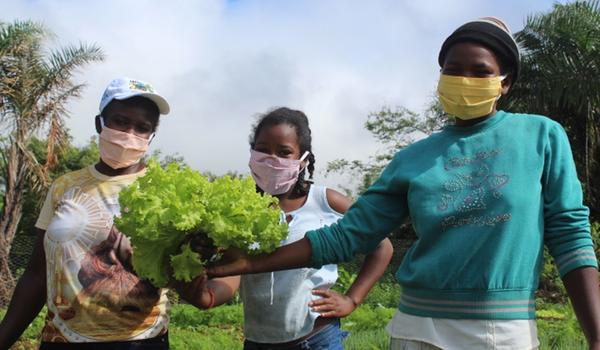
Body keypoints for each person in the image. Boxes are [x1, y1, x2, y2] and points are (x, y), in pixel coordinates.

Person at [207, 18, 600, 350]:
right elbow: (347, 237)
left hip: (501, 331)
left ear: (505, 82)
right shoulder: (414, 158)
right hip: (416, 330)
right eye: (452, 69)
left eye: (479, 71)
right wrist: (251, 264)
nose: (463, 79)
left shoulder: (541, 136)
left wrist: (595, 336)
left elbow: (570, 234)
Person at [177, 107, 393, 350]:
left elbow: (382, 245)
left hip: (317, 339)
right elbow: (233, 272)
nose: (272, 159)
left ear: (303, 160)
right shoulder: (237, 211)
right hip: (258, 341)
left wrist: (353, 299)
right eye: (263, 150)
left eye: (284, 152)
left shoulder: (325, 202)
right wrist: (205, 295)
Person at [1, 77, 174, 349]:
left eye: (142, 128)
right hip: (63, 338)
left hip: (141, 341)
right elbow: (37, 274)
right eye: (120, 121)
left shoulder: (167, 192)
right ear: (99, 123)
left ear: (152, 136)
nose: (129, 134)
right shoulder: (65, 187)